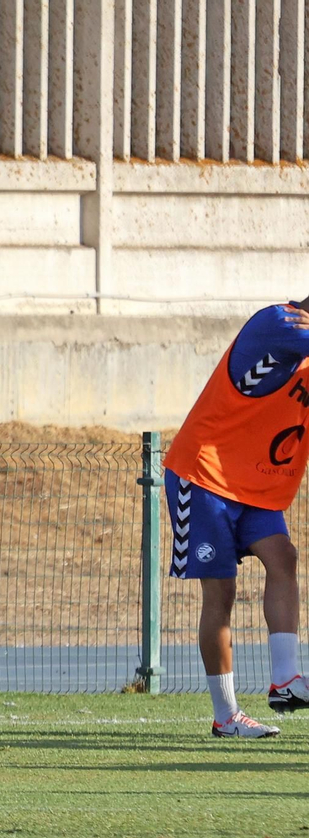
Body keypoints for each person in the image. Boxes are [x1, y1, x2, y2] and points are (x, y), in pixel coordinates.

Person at [163, 298, 309, 738]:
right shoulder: (279, 322)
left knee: (283, 558)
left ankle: (285, 680)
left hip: (252, 483)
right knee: (221, 593)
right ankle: (226, 716)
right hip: (204, 475)